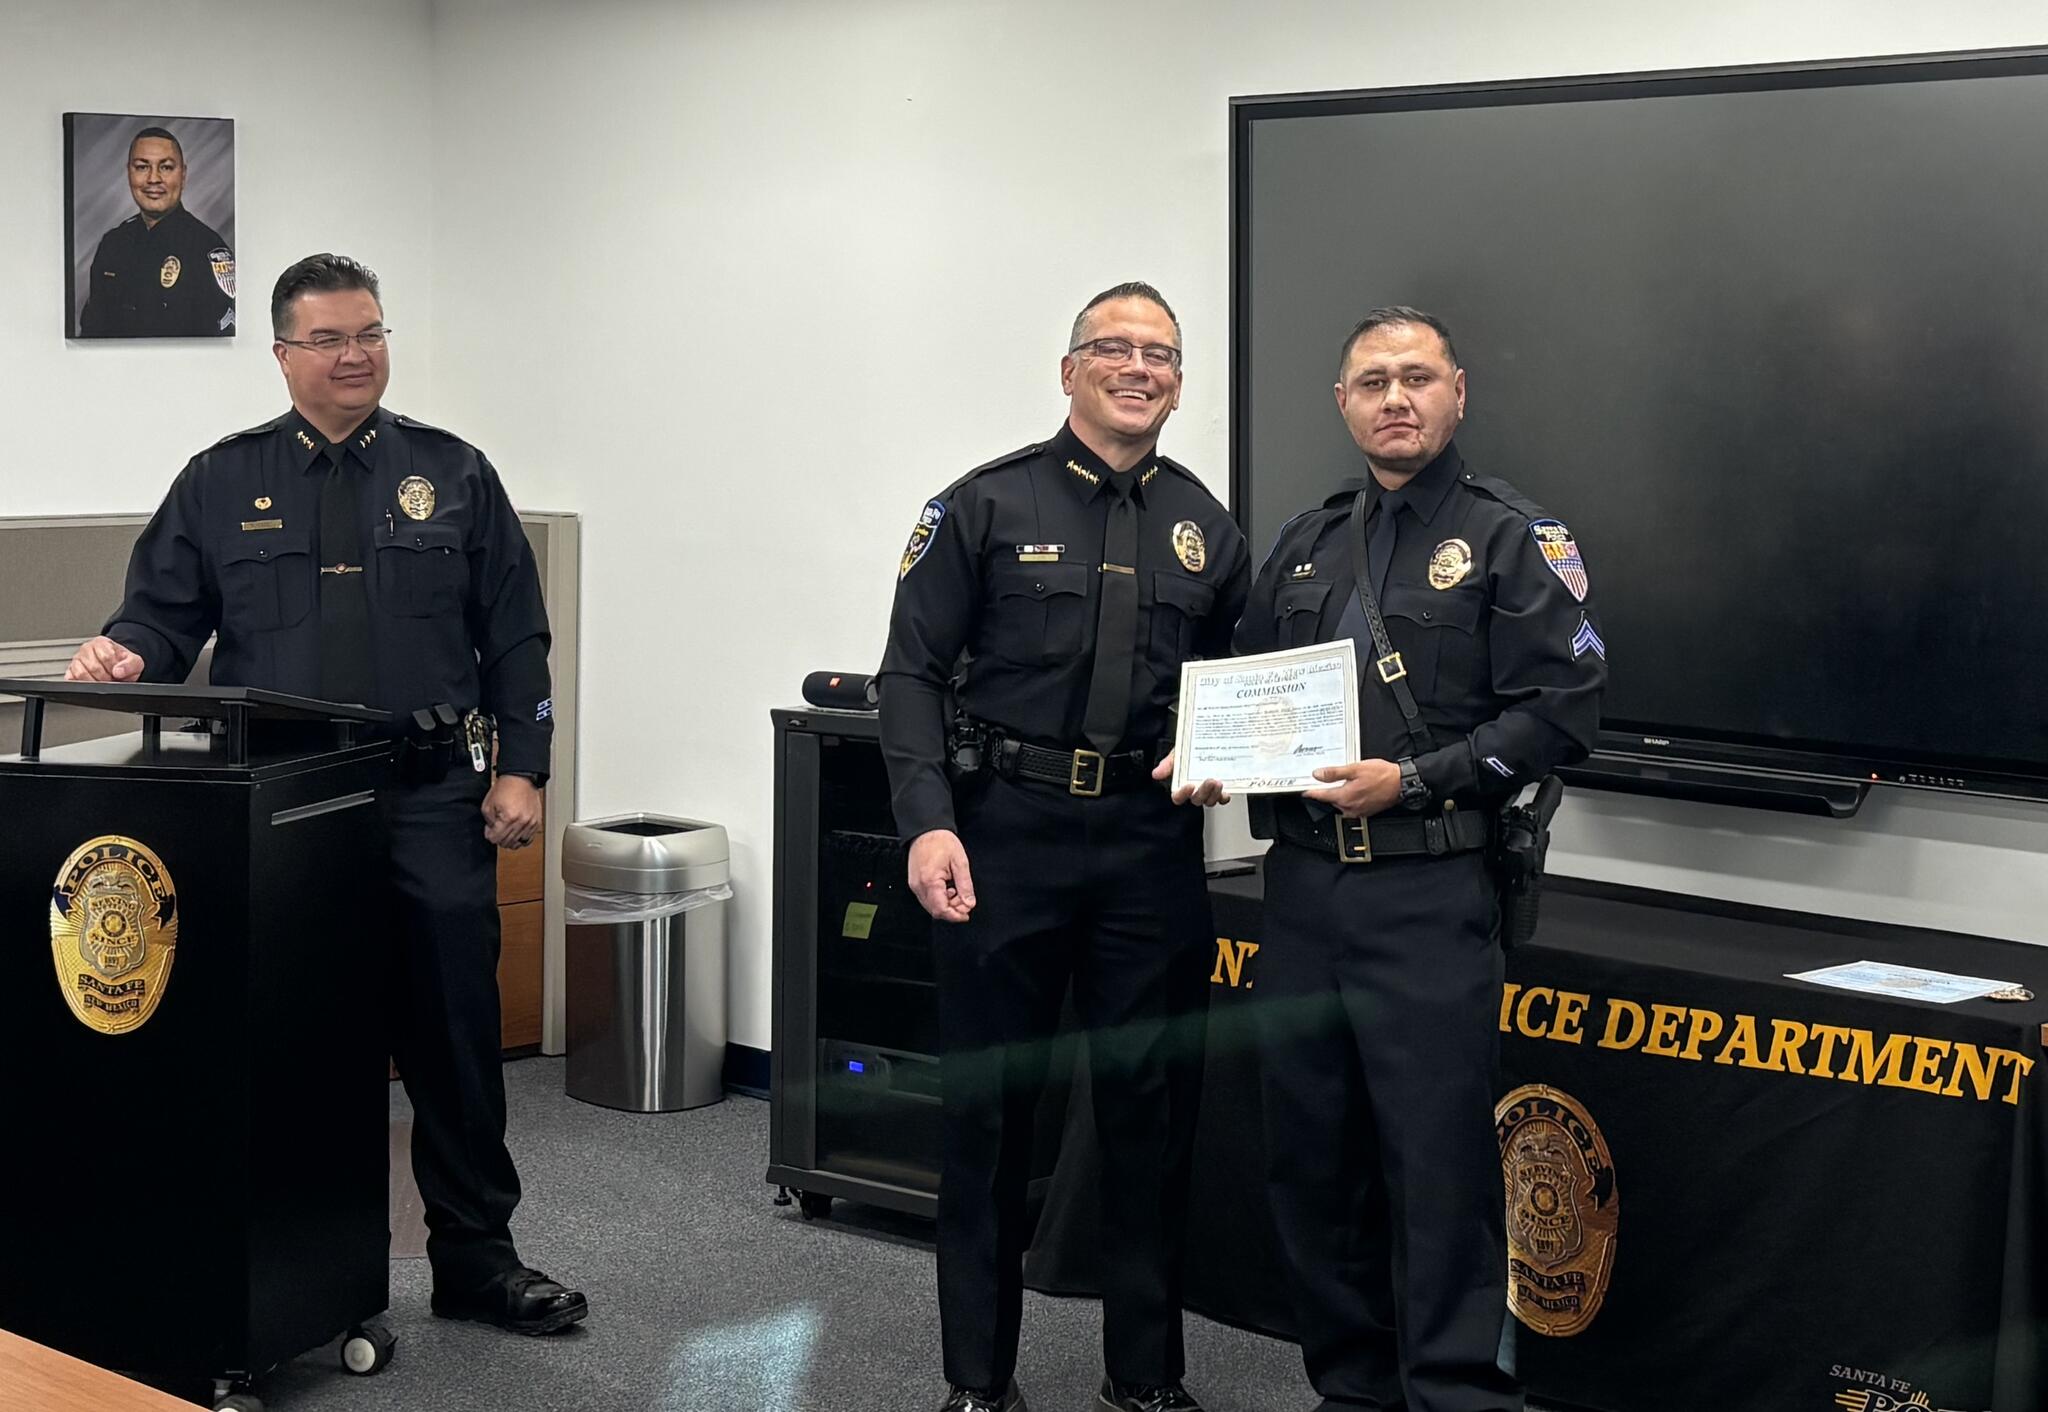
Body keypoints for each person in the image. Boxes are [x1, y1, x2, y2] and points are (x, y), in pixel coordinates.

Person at [66, 253, 586, 1336]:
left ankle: (477, 1259)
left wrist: (524, 767)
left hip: (432, 793)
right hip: (286, 804)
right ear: (283, 354)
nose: (355, 357)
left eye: (371, 334)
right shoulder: (221, 478)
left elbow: (517, 635)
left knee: (453, 1032)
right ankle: (315, 1273)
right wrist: (124, 651)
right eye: (330, 340)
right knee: (296, 1039)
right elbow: (162, 617)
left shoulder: (454, 473)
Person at [1194, 307, 1605, 1412]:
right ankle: (1353, 1389)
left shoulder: (1515, 536)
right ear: (1341, 403)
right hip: (1303, 891)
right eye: (1371, 379)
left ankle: (1453, 1394)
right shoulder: (1304, 541)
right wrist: (1206, 751)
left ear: (1456, 392)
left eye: (1416, 376)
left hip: (1428, 888)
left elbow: (1563, 710)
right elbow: (1241, 681)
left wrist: (1417, 779)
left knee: (1434, 1167)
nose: (1394, 396)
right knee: (1309, 1159)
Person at [878, 282, 1249, 1412]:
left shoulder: (1208, 527)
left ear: (1178, 382)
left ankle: (1144, 1375)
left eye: (1161, 355)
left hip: (1148, 846)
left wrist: (1227, 743)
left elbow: (1235, 689)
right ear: (1068, 367)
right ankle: (976, 1382)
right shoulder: (982, 503)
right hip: (1005, 835)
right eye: (1115, 348)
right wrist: (927, 819)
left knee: (1149, 1113)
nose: (1139, 368)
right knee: (989, 1115)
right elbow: (906, 674)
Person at [77, 125, 236, 338]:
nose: (153, 179)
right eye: (142, 167)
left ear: (183, 175)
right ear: (129, 173)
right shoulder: (113, 244)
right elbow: (91, 333)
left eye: (166, 167)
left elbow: (222, 346)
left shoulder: (208, 250)